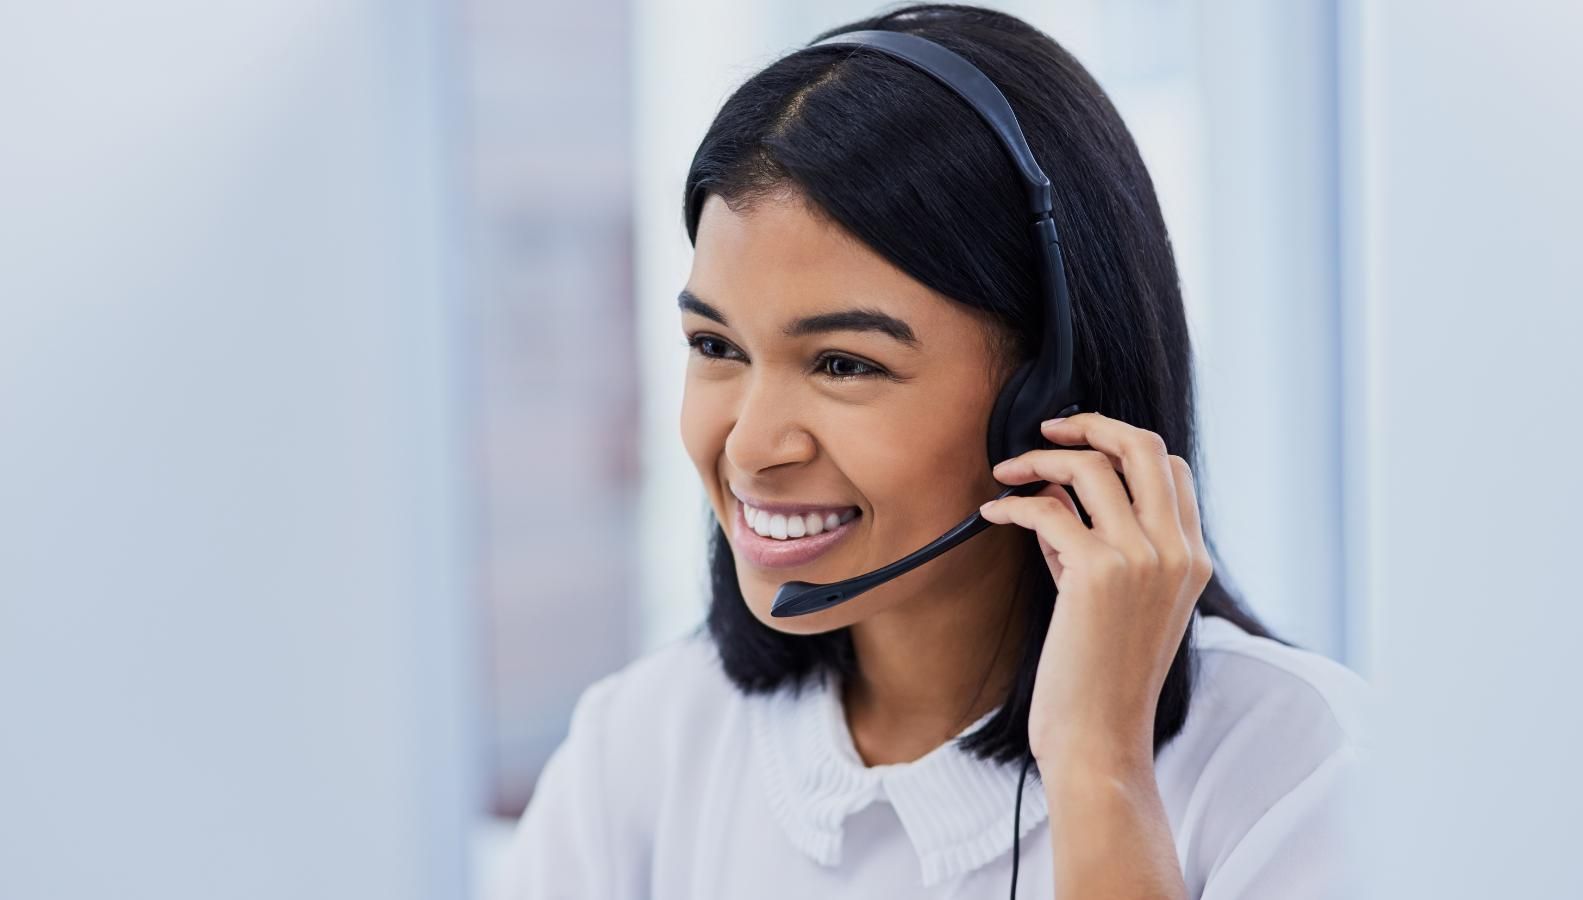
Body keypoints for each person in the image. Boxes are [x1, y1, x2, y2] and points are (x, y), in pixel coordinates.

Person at [496, 4, 1369, 898]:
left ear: (1047, 400)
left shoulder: (1296, 765)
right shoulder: (643, 746)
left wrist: (1099, 767)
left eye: (842, 363)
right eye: (716, 347)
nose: (751, 447)